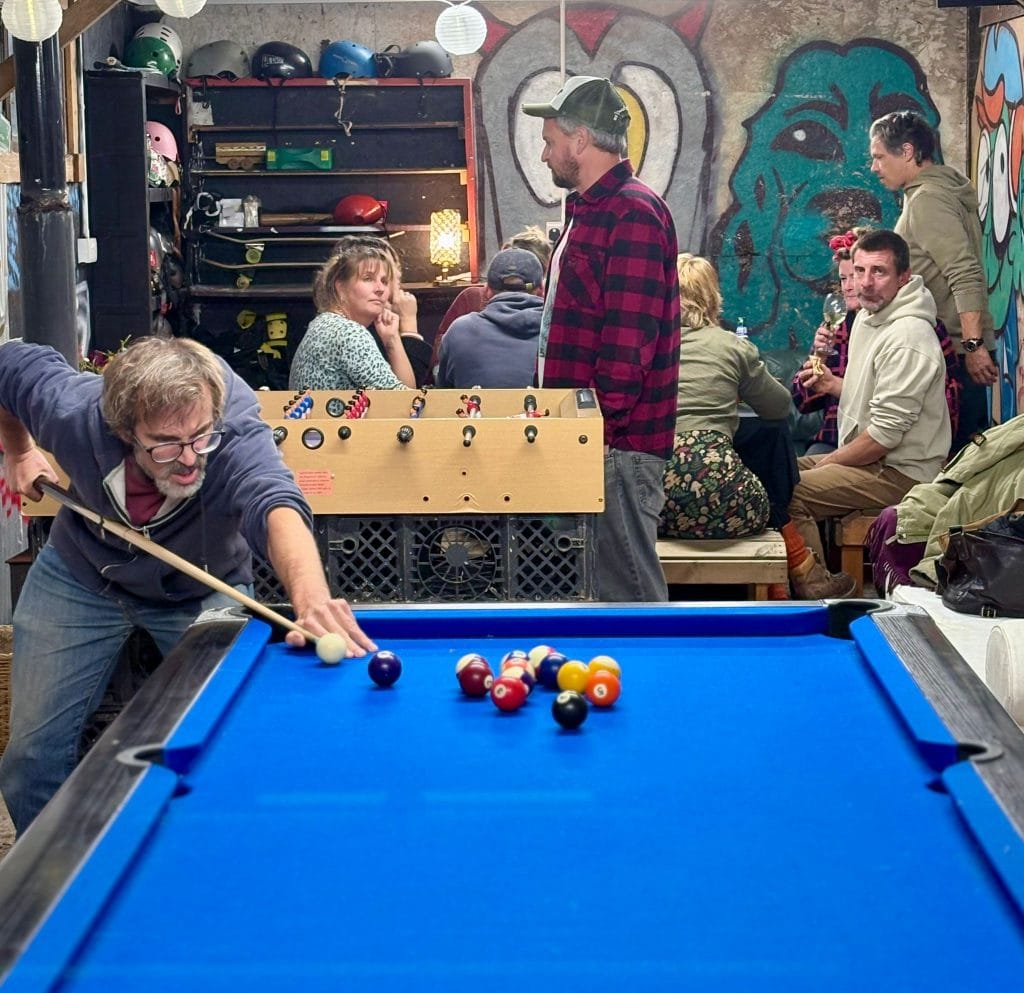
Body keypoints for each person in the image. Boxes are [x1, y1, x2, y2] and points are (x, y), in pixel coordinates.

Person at [0, 336, 376, 833]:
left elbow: (274, 500)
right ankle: (57, 876)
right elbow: (8, 365)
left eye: (200, 437)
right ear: (124, 431)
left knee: (233, 748)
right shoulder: (73, 413)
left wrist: (311, 600)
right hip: (82, 575)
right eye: (166, 444)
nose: (189, 458)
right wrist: (20, 450)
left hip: (202, 586)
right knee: (30, 761)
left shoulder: (231, 428)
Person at [522, 76, 680, 601]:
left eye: (550, 142)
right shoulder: (589, 211)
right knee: (599, 595)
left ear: (581, 140)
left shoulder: (632, 212)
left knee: (630, 597)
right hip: (588, 438)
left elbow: (628, 341)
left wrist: (596, 429)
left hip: (615, 446)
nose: (545, 155)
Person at [787, 229, 950, 598]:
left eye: (879, 272)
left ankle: (824, 594)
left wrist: (829, 461)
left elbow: (883, 437)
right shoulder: (867, 318)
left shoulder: (909, 337)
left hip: (902, 472)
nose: (865, 283)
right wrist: (832, 383)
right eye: (859, 271)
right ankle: (792, 588)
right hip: (873, 461)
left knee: (792, 490)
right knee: (776, 471)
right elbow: (869, 397)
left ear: (904, 277)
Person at [869, 110, 997, 454]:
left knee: (954, 461)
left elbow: (964, 271)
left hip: (955, 351)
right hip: (956, 347)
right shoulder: (936, 190)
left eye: (879, 157)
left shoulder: (927, 199)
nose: (874, 167)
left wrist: (972, 346)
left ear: (907, 151)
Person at [793, 228, 963, 457]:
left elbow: (940, 404)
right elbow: (801, 402)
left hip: (886, 452)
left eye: (877, 272)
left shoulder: (916, 329)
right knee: (783, 473)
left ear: (901, 277)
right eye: (847, 277)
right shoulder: (837, 326)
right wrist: (819, 357)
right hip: (834, 438)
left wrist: (837, 386)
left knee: (801, 477)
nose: (855, 285)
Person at [659, 254, 791, 540]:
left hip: (656, 502)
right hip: (726, 501)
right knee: (771, 467)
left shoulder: (647, 346)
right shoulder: (732, 346)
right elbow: (779, 408)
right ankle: (795, 559)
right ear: (711, 297)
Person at [429, 225, 554, 383]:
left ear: (487, 289)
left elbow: (440, 376)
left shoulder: (459, 329)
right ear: (542, 287)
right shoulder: (560, 330)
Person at [289, 240, 413, 392]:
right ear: (340, 287)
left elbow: (406, 398)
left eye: (385, 281)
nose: (380, 289)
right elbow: (406, 401)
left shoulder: (325, 324)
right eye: (368, 278)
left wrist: (392, 339)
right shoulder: (348, 333)